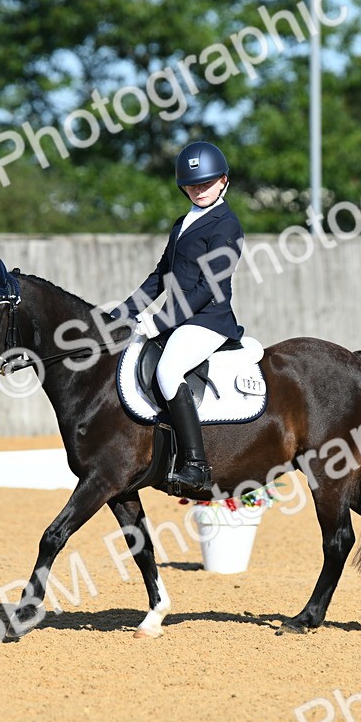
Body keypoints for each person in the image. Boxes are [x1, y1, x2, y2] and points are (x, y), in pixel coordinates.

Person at [112, 141, 245, 494]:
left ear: (223, 182)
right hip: (182, 320)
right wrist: (125, 310)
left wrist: (159, 321)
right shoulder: (182, 223)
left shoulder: (227, 226)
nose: (199, 189)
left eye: (207, 182)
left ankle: (197, 464)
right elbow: (161, 276)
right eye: (192, 184)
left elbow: (206, 288)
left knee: (168, 370)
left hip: (209, 319)